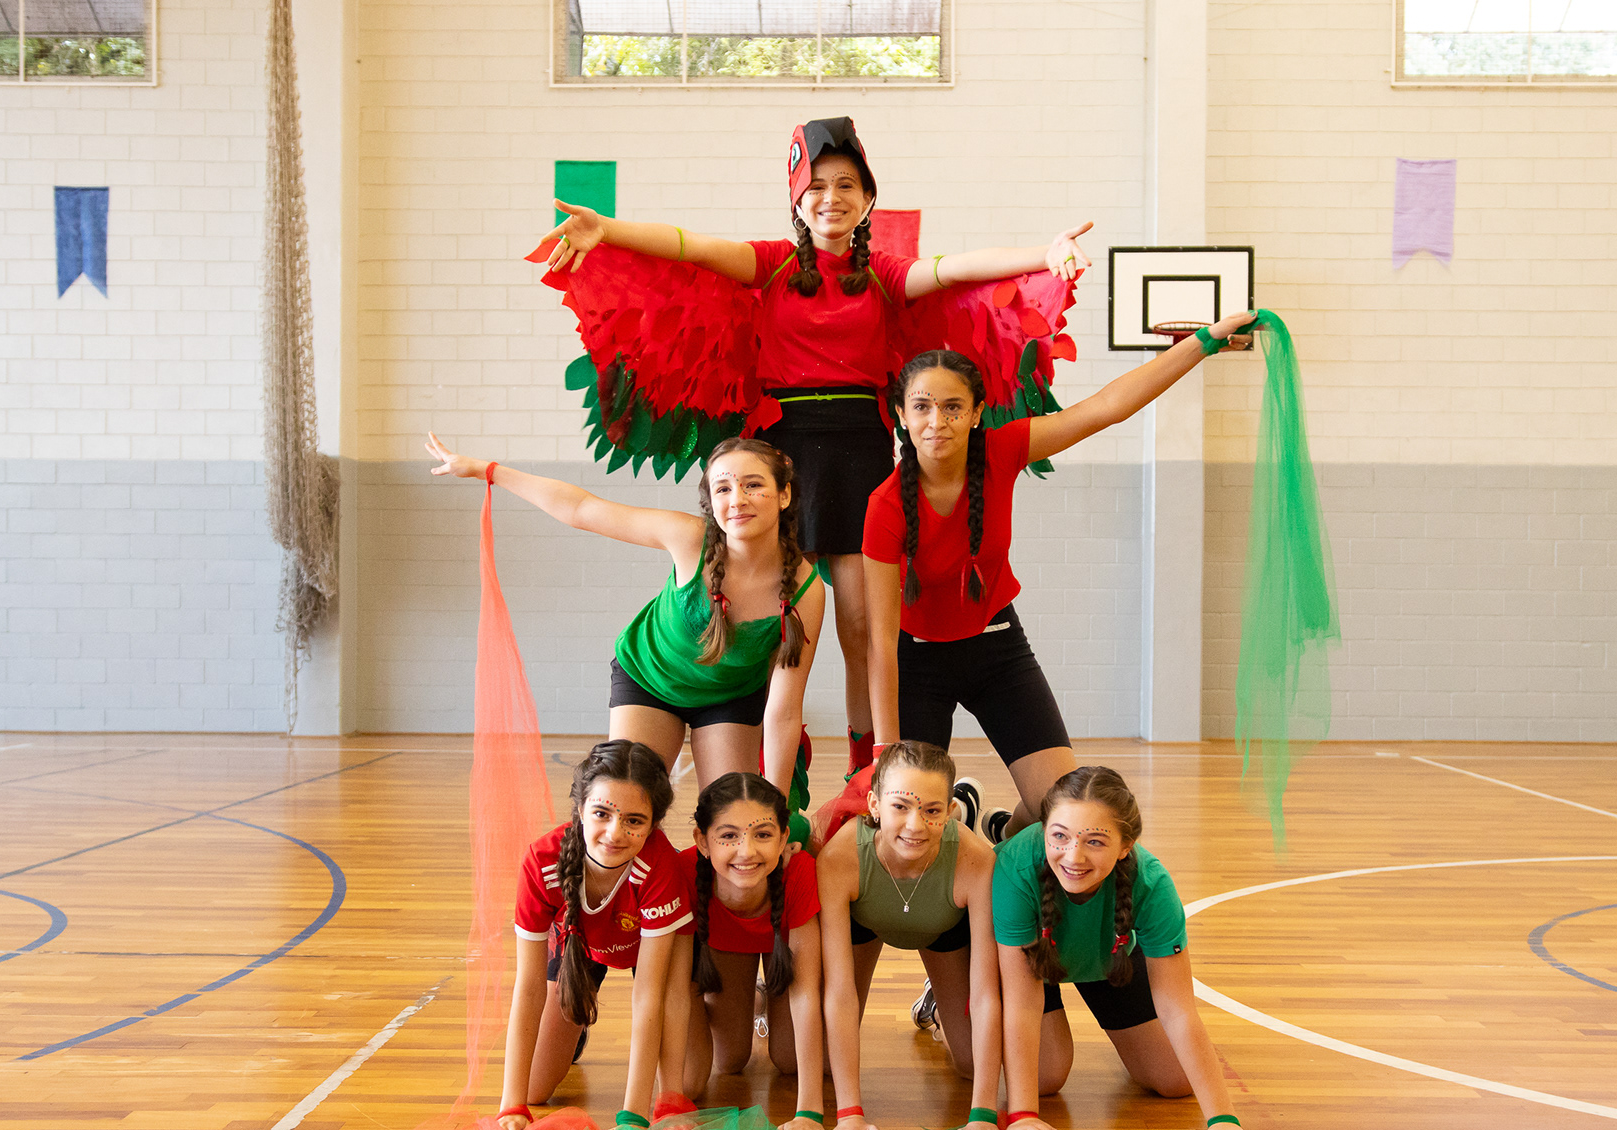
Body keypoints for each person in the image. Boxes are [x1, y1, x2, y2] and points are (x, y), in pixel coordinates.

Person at [541, 115, 1092, 780]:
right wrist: (608, 228)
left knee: (862, 627)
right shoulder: (772, 261)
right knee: (780, 621)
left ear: (867, 198)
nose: (832, 198)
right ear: (797, 199)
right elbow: (690, 248)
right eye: (818, 186)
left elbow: (957, 270)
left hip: (861, 452)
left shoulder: (884, 273)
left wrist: (1044, 253)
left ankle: (866, 770)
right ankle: (783, 763)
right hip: (784, 454)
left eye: (847, 185)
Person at [863, 316, 1256, 841]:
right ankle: (957, 812)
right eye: (922, 407)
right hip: (916, 661)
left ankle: (1000, 831)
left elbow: (1106, 407)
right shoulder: (885, 506)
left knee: (1058, 806)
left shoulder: (1002, 450)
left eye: (953, 406)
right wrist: (885, 752)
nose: (938, 421)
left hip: (995, 647)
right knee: (912, 816)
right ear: (902, 415)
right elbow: (880, 641)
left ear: (977, 413)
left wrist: (1201, 345)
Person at [426, 433, 824, 796]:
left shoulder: (805, 590)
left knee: (731, 816)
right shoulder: (689, 538)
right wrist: (489, 470)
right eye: (723, 488)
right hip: (649, 680)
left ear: (784, 494)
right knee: (628, 800)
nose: (737, 499)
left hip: (731, 697)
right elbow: (582, 509)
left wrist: (775, 804)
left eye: (753, 485)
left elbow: (784, 710)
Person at [992, 766, 1255, 1130]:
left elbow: (1178, 1007)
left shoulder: (1152, 884)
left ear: (1125, 845)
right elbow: (1022, 1003)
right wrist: (1024, 1114)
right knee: (1045, 1075)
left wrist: (1222, 1119)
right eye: (1059, 836)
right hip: (1032, 956)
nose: (1074, 856)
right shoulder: (1016, 867)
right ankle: (949, 1004)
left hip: (1104, 952)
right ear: (1043, 830)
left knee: (1175, 1079)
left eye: (1095, 841)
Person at [816, 740, 1003, 1130]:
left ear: (948, 813)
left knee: (972, 1064)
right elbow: (839, 992)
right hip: (865, 918)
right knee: (822, 1062)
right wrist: (849, 1114)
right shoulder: (839, 858)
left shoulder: (976, 861)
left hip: (942, 924)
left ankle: (936, 1004)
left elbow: (986, 993)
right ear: (874, 805)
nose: (915, 825)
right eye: (900, 806)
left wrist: (983, 1115)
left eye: (932, 811)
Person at [498, 740, 693, 1130]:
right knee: (535, 1089)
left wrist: (634, 1116)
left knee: (694, 1080)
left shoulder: (660, 864)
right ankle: (574, 1029)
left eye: (634, 821)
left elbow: (651, 994)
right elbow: (529, 987)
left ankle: (678, 1082)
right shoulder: (542, 862)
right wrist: (511, 1105)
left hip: (654, 953)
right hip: (583, 945)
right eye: (601, 814)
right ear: (580, 809)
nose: (614, 833)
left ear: (654, 824)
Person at [681, 772, 826, 1130]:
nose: (746, 851)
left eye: (762, 834)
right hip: (726, 947)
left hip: (783, 949)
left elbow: (806, 993)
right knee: (728, 1061)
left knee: (789, 1060)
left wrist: (809, 1111)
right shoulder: (684, 872)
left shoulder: (799, 870)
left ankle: (763, 994)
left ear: (783, 838)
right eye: (728, 836)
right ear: (702, 841)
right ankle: (758, 998)